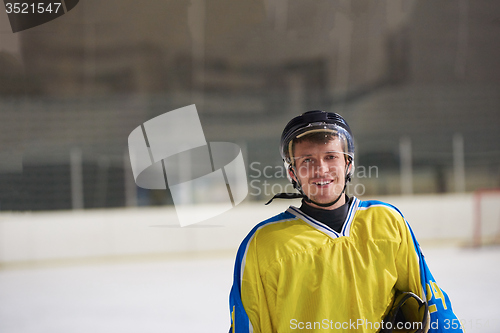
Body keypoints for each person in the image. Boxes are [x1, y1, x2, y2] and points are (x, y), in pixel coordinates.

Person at [228, 110, 463, 333]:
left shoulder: (386, 221)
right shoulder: (262, 244)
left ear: (348, 164)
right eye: (307, 160)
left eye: (331, 157)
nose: (321, 169)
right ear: (293, 173)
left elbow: (432, 304)